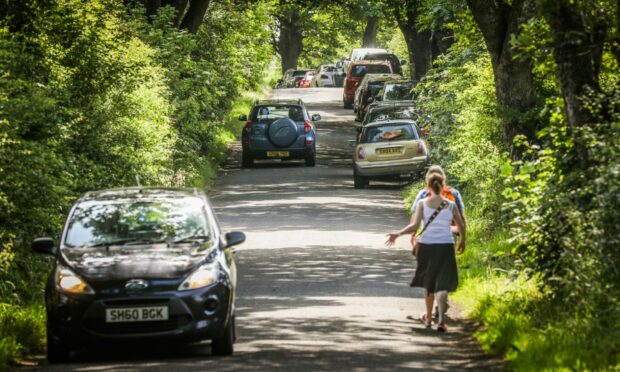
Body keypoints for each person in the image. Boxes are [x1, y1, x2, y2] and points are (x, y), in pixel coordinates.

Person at [385, 171, 466, 332]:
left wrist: (398, 234)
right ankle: (442, 321)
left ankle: (428, 318)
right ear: (443, 186)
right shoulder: (450, 204)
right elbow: (461, 225)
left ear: (428, 186)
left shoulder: (422, 203)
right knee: (442, 282)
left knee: (429, 281)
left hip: (428, 245)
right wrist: (463, 240)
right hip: (446, 245)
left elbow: (415, 226)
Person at [411, 165, 466, 318]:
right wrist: (463, 238)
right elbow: (461, 218)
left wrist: (413, 235)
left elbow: (415, 217)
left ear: (427, 181)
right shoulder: (454, 193)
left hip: (428, 240)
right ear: (444, 180)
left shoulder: (423, 194)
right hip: (449, 238)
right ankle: (442, 301)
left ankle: (432, 310)